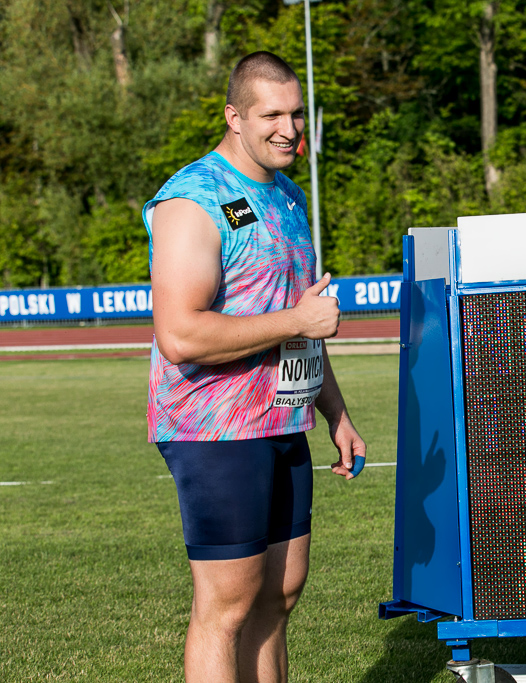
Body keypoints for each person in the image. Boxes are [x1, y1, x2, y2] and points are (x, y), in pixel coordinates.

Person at [143, 51, 365, 683]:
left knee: (280, 595)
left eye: (297, 114)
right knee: (228, 605)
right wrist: (298, 322)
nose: (288, 129)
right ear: (234, 116)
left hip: (282, 422)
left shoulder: (289, 196)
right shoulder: (193, 200)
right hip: (215, 430)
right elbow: (181, 334)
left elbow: (299, 319)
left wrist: (335, 411)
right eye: (271, 114)